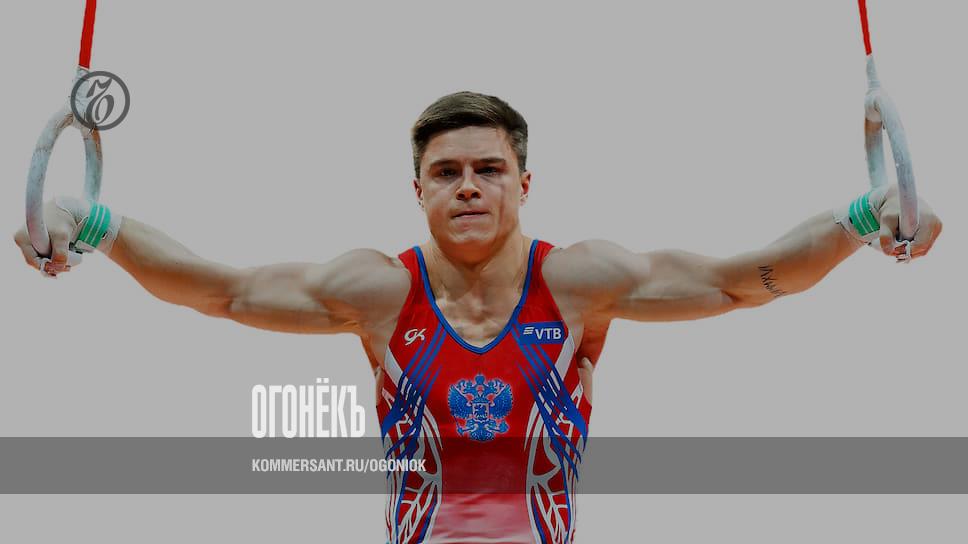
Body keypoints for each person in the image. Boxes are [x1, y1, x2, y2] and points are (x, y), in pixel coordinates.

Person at [12, 91, 943, 543]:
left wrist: (864, 220)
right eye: (446, 172)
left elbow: (742, 281)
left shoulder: (578, 282)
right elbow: (221, 290)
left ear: (524, 183)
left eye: (488, 169)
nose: (468, 186)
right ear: (416, 190)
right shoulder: (378, 291)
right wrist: (91, 226)